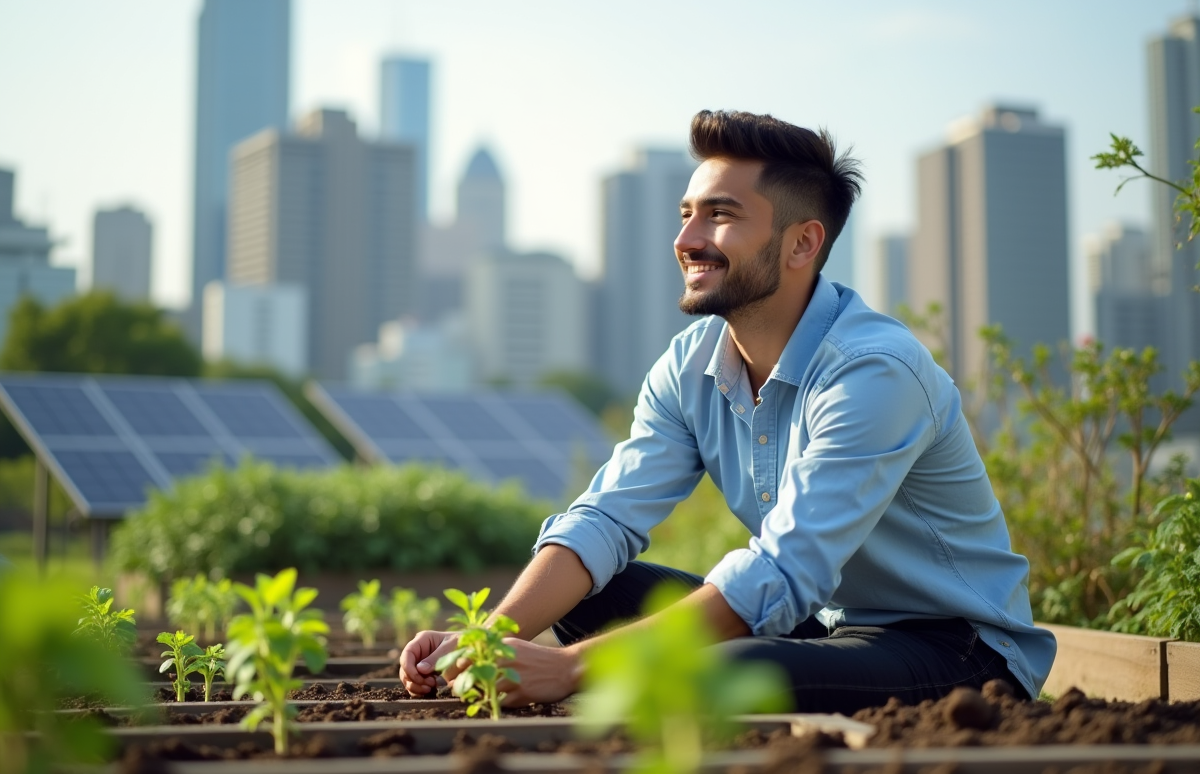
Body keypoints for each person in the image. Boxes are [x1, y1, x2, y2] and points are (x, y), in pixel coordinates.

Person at [400, 109, 1056, 714]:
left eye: (719, 215)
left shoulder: (872, 371)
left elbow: (782, 569)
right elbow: (604, 519)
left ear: (802, 244)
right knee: (596, 594)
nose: (687, 238)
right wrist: (484, 640)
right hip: (823, 625)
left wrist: (570, 669)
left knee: (724, 668)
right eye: (686, 213)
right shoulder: (690, 367)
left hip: (957, 650)